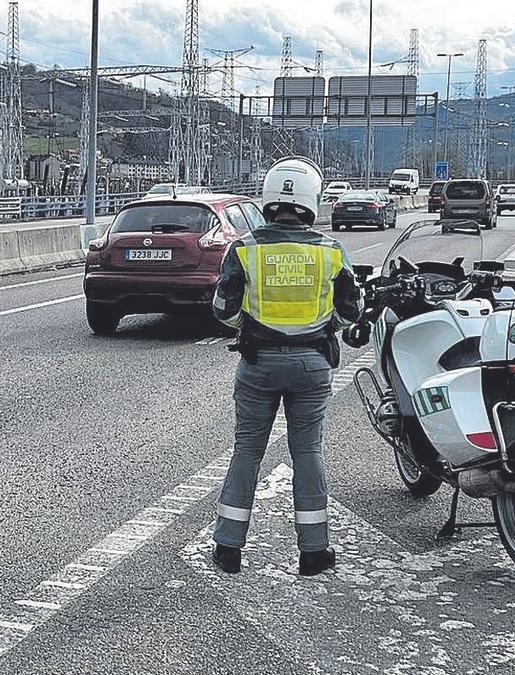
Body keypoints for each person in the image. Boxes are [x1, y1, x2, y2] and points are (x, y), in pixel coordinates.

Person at [210, 157, 362, 577]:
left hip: (258, 363)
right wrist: (323, 325)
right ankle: (314, 551)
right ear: (311, 200)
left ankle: (228, 547)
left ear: (269, 198)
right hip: (312, 365)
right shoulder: (331, 251)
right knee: (307, 451)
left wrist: (251, 326)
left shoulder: (244, 249)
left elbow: (223, 309)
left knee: (247, 450)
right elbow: (351, 311)